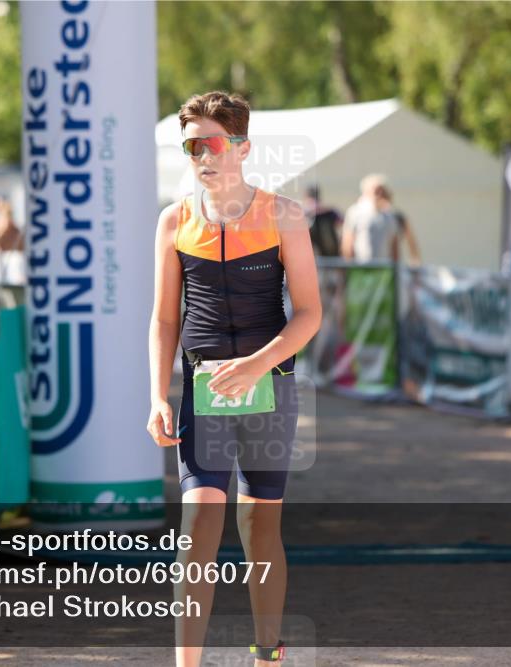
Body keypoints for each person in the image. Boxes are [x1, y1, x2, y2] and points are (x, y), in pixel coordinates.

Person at [147, 91, 321, 667]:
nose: (203, 155)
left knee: (258, 526)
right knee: (197, 523)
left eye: (214, 143)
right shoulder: (174, 220)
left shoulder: (283, 215)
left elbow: (310, 314)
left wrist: (257, 364)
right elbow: (164, 319)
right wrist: (157, 396)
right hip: (204, 393)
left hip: (270, 388)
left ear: (243, 148)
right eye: (192, 146)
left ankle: (267, 656)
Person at [341, 173, 420, 264]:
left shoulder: (393, 215)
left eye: (383, 192)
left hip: (383, 266)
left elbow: (397, 244)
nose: (379, 195)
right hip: (361, 266)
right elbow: (348, 243)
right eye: (376, 191)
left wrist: (399, 266)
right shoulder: (355, 213)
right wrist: (347, 266)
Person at [303, 185, 341, 257]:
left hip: (310, 254)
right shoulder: (330, 211)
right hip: (331, 253)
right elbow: (341, 222)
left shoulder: (302, 212)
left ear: (306, 196)